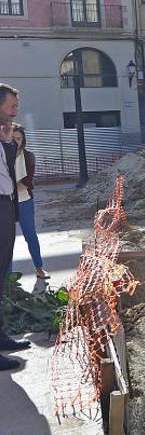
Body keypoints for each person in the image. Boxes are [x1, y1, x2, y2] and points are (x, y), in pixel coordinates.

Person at [0, 83, 30, 371]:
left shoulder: (2, 136)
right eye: (11, 106)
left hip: (6, 207)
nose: (15, 111)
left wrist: (8, 144)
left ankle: (1, 337)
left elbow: (7, 173)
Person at [7, 125, 48, 283]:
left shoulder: (29, 156)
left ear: (23, 140)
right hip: (6, 204)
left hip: (24, 202)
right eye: (12, 138)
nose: (15, 141)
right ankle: (7, 277)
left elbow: (26, 183)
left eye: (18, 139)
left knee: (31, 236)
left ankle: (39, 268)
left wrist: (7, 187)